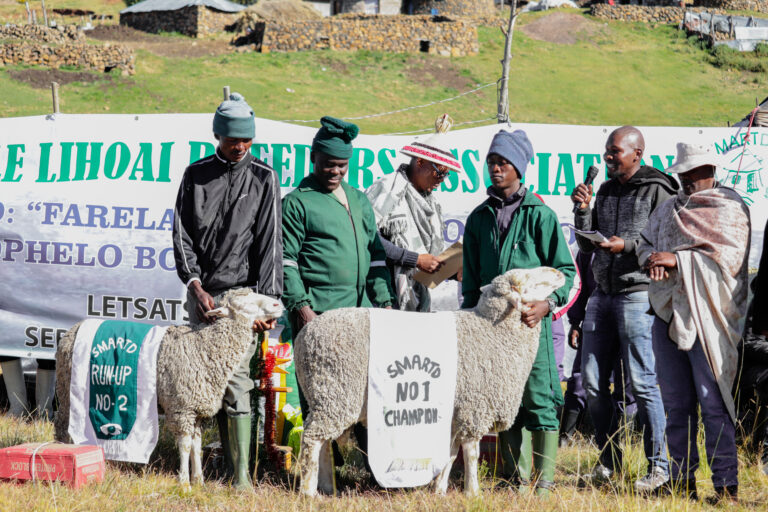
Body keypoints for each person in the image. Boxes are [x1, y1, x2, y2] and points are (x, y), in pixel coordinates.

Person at [172, 92, 282, 489]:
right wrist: (195, 285)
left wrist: (265, 305)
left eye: (247, 141)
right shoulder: (195, 175)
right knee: (203, 380)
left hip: (242, 299)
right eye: (234, 140)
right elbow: (182, 235)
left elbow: (270, 243)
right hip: (202, 295)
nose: (240, 147)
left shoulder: (264, 178)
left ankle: (242, 476)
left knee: (236, 380)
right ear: (217, 135)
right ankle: (214, 460)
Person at [462, 129, 575, 495]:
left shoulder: (540, 215)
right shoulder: (479, 218)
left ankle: (543, 484)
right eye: (492, 162)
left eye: (503, 162)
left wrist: (547, 306)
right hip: (492, 328)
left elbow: (567, 273)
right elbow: (471, 279)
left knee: (540, 397)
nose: (495, 168)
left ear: (519, 168)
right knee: (503, 399)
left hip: (531, 325)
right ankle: (513, 480)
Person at [639, 143, 751, 503]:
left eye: (692, 172)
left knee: (712, 400)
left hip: (711, 317)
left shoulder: (730, 209)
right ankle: (680, 480)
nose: (685, 178)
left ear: (710, 169)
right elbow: (644, 242)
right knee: (675, 402)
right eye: (681, 172)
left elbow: (729, 262)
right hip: (667, 312)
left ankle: (725, 487)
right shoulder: (668, 208)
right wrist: (652, 259)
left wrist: (677, 260)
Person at [281, 115, 394, 469]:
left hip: (359, 317)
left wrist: (385, 300)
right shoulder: (297, 202)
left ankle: (370, 468)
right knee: (321, 397)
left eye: (342, 166)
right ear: (313, 158)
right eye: (329, 164)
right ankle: (323, 474)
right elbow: (285, 261)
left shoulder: (359, 201)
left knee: (364, 392)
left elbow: (376, 257)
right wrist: (301, 308)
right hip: (318, 315)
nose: (335, 172)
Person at [570, 125, 676, 492]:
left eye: (614, 151)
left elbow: (666, 241)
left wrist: (627, 247)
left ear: (637, 153)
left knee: (644, 383)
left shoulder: (658, 189)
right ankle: (609, 461)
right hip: (602, 293)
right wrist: (582, 212)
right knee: (594, 383)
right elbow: (586, 247)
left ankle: (659, 467)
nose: (607, 157)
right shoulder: (604, 189)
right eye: (606, 151)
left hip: (638, 294)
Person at [365, 114, 460, 311]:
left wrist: (452, 270)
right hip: (383, 297)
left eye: (446, 174)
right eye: (439, 172)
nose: (442, 179)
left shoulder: (431, 204)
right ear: (419, 162)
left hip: (416, 297)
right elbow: (368, 238)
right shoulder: (387, 189)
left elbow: (428, 260)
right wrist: (414, 259)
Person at [559, 250, 636, 447]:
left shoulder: (636, 240)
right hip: (596, 322)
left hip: (629, 318)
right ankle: (566, 437)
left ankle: (623, 439)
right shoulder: (589, 248)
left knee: (627, 383)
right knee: (580, 379)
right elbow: (579, 286)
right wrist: (575, 322)